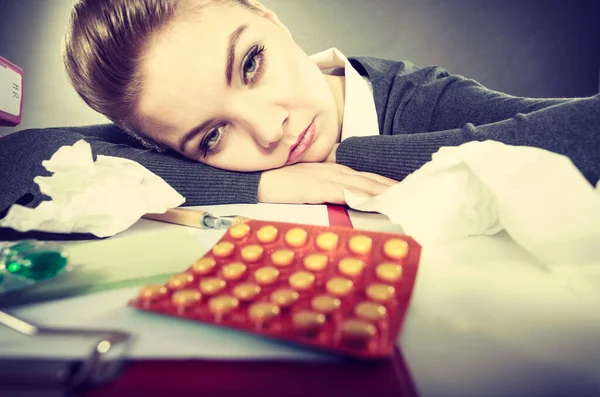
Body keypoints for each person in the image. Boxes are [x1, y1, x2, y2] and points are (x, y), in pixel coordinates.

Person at [1, 0, 599, 218]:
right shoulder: (162, 141)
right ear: (163, 149)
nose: (269, 130)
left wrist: (348, 160)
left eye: (251, 63)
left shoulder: (416, 98)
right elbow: (17, 157)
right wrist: (265, 185)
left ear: (270, 18)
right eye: (211, 138)